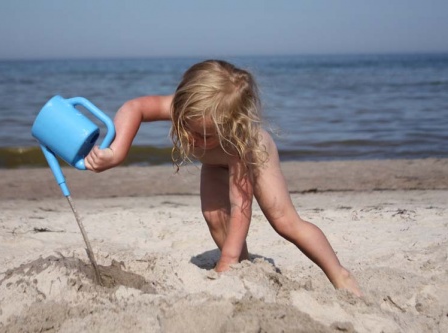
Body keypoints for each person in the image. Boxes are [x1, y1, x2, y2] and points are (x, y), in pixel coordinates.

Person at [84, 60, 362, 297]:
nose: (195, 140)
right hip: (214, 163)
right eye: (190, 130)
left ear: (230, 126)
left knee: (284, 221)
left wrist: (224, 261)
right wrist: (117, 152)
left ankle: (340, 274)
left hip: (249, 155)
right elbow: (134, 107)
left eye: (207, 135)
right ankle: (241, 264)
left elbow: (241, 206)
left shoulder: (239, 141)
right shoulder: (185, 106)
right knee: (214, 216)